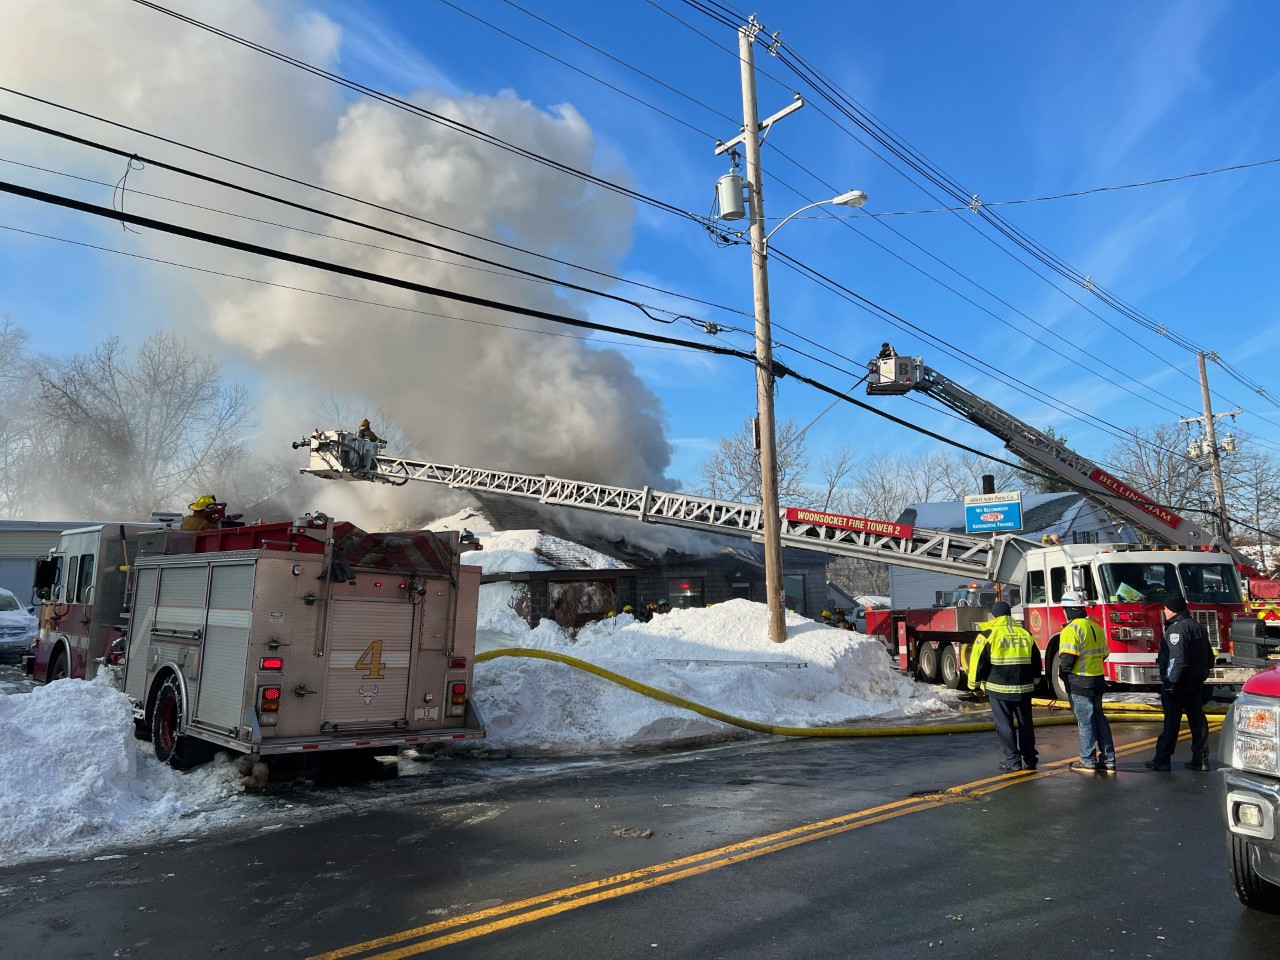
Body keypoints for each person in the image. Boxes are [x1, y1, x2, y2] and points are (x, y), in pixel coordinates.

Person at [1146, 596, 1214, 772]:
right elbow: (1209, 656)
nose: (1164, 611)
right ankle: (1201, 760)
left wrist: (1171, 682)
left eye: (1166, 608)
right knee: (1197, 722)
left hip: (1179, 684)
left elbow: (1177, 658)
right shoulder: (1198, 627)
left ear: (1173, 610)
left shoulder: (1177, 629)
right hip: (1196, 682)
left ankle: (1162, 760)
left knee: (1171, 723)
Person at [974, 601, 1042, 772]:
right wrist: (1035, 681)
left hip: (999, 689)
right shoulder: (1025, 634)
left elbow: (978, 662)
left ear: (994, 616)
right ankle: (1030, 759)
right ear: (1009, 615)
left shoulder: (988, 635)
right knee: (1025, 724)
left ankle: (1013, 761)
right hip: (1024, 688)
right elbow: (1036, 661)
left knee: (1005, 725)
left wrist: (974, 684)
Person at [1057, 592, 1116, 773]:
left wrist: (1062, 674)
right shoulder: (1096, 627)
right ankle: (1108, 760)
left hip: (1079, 681)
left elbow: (1067, 660)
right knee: (1099, 719)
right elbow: (1104, 654)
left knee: (1086, 722)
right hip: (1097, 679)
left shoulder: (1070, 629)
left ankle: (1087, 760)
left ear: (1067, 610)